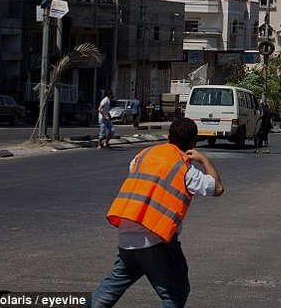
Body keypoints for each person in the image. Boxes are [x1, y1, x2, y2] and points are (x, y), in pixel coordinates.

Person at [91, 117, 224, 308]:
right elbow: (218, 188)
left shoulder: (143, 155)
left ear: (169, 137)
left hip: (127, 235)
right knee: (175, 294)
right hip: (156, 240)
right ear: (193, 142)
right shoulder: (185, 167)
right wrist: (204, 159)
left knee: (109, 290)